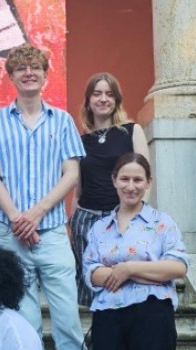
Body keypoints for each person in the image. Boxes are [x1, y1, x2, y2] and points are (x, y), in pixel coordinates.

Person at [0, 43, 87, 350]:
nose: (28, 73)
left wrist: (36, 214)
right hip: (11, 238)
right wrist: (16, 219)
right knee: (25, 325)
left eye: (35, 68)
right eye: (21, 69)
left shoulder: (63, 121)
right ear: (11, 76)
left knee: (68, 322)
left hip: (52, 235)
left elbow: (71, 174)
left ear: (44, 74)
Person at [83, 153, 189, 350]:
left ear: (148, 182)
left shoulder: (162, 223)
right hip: (108, 316)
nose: (131, 186)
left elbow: (177, 266)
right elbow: (92, 272)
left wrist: (129, 269)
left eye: (138, 180)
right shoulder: (100, 228)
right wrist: (151, 271)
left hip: (152, 314)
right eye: (125, 179)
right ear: (114, 180)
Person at [70, 72, 150, 307]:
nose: (103, 99)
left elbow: (145, 178)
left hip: (122, 220)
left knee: (123, 287)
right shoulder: (81, 141)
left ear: (116, 100)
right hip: (86, 221)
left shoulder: (132, 131)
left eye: (109, 94)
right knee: (89, 292)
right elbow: (78, 189)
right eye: (97, 94)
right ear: (88, 101)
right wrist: (72, 221)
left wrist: (143, 220)